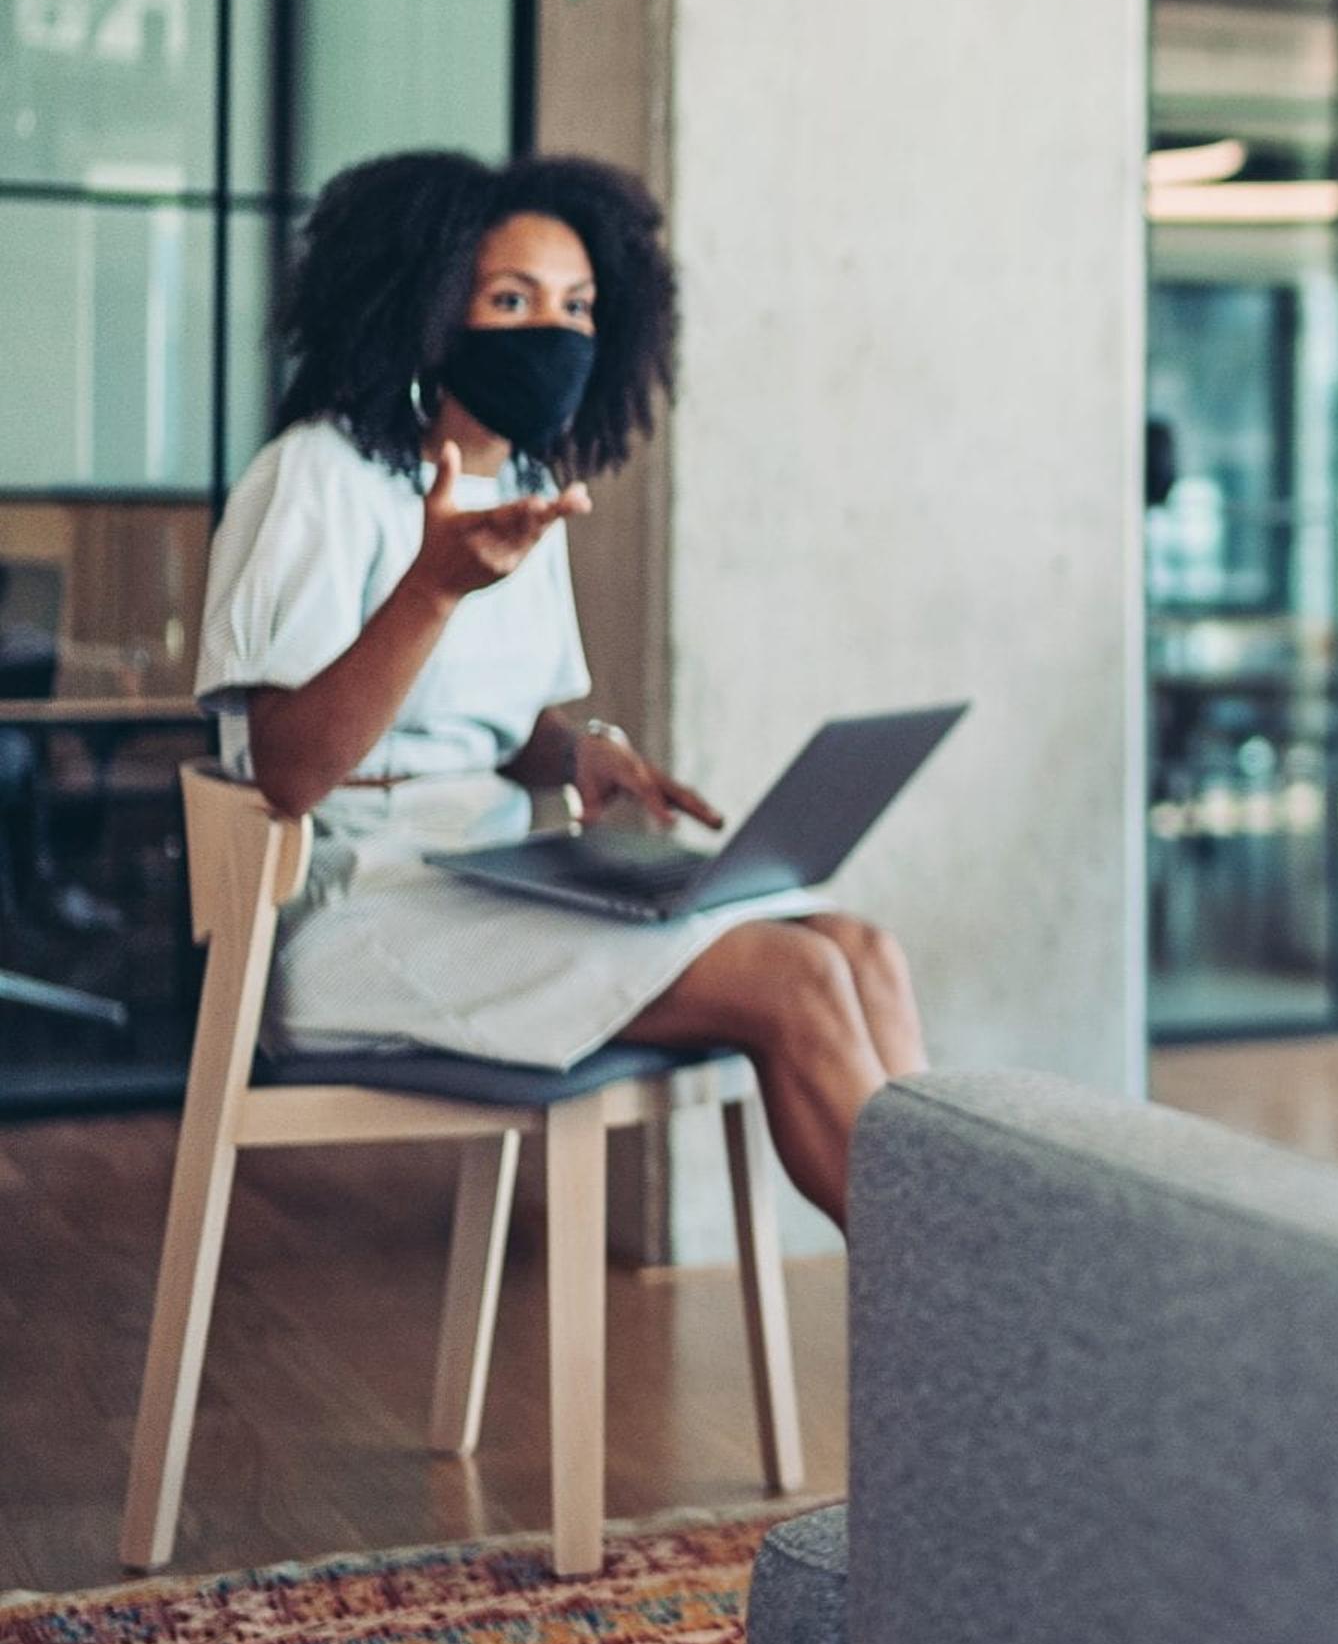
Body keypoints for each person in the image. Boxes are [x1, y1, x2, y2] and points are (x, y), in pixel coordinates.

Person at [196, 150, 921, 1221]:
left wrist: (578, 753)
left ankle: (972, 1281)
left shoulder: (528, 483)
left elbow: (498, 726)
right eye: (511, 299)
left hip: (497, 876)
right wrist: (429, 592)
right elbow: (289, 771)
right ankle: (971, 1324)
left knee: (858, 946)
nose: (558, 332)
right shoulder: (315, 478)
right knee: (795, 980)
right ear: (429, 308)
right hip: (353, 914)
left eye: (579, 304)